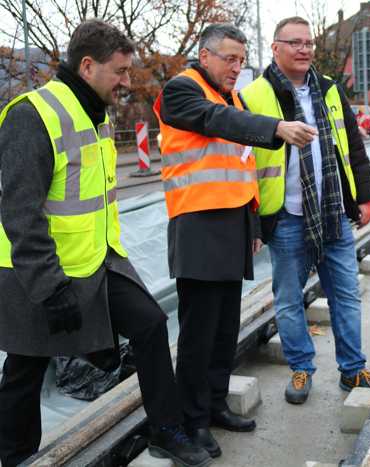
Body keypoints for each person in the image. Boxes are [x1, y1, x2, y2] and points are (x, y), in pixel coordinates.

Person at [0, 20, 210, 467]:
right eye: (120, 72)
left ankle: (166, 430)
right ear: (88, 65)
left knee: (151, 324)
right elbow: (20, 212)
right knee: (26, 367)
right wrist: (49, 285)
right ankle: (16, 457)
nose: (127, 83)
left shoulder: (94, 113)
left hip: (97, 261)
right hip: (36, 272)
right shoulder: (32, 115)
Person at [153, 23, 316, 458]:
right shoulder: (181, 91)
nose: (236, 68)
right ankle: (193, 420)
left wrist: (254, 226)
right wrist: (276, 126)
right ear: (204, 56)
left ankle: (215, 402)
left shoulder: (231, 95)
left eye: (242, 61)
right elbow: (217, 123)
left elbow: (240, 165)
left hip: (231, 226)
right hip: (198, 227)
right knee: (199, 331)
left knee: (225, 326)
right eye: (229, 59)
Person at [240, 16, 370, 405]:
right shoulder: (253, 95)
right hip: (285, 215)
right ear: (275, 48)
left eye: (309, 43)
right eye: (295, 43)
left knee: (346, 296)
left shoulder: (329, 90)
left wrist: (365, 197)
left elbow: (351, 146)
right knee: (288, 300)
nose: (304, 49)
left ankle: (353, 370)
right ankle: (301, 368)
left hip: (333, 209)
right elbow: (243, 165)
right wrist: (253, 222)